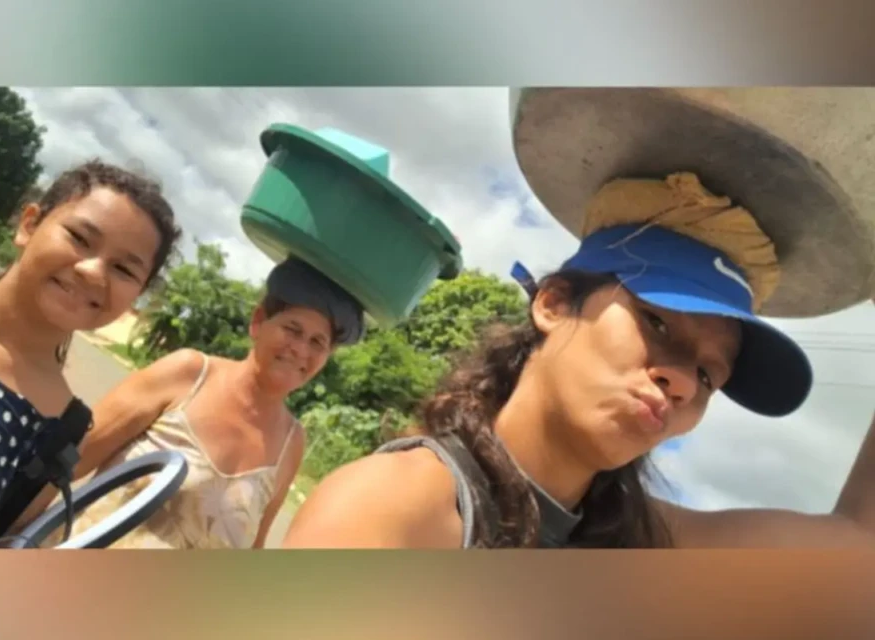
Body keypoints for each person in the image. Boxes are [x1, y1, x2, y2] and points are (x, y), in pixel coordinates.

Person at [281, 199, 875, 549]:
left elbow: (857, 543)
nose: (682, 382)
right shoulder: (396, 510)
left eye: (707, 376)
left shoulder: (635, 537)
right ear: (555, 303)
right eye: (656, 323)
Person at [0, 159, 182, 548]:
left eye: (124, 270)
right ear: (29, 225)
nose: (93, 271)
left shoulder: (61, 428)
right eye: (80, 238)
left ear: (136, 296)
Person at [29, 256, 365, 549]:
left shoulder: (291, 444)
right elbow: (65, 463)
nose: (301, 350)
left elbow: (253, 549)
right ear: (258, 322)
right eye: (292, 329)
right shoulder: (188, 376)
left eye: (318, 343)